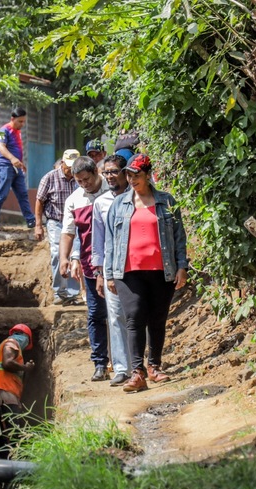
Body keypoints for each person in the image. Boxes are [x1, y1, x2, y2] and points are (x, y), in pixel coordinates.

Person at [104, 154, 188, 392]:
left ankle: (154, 366)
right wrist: (109, 273)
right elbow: (110, 241)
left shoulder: (167, 202)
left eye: (136, 175)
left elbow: (179, 238)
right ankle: (137, 372)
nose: (131, 179)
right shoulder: (119, 204)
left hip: (163, 270)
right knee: (134, 315)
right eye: (128, 175)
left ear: (148, 175)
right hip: (128, 272)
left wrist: (182, 266)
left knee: (158, 318)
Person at [59, 156, 111, 381]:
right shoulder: (74, 200)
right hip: (91, 265)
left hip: (118, 264)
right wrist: (65, 258)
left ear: (96, 173)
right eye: (79, 181)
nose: (84, 184)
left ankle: (128, 363)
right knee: (96, 313)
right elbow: (69, 232)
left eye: (86, 179)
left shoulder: (115, 191)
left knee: (123, 315)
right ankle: (100, 362)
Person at [91, 154, 133, 386]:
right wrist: (99, 273)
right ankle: (121, 368)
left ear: (126, 173)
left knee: (137, 316)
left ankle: (141, 363)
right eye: (106, 172)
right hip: (112, 270)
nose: (109, 176)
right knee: (116, 317)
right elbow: (98, 242)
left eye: (113, 172)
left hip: (137, 267)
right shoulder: (101, 203)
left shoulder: (137, 198)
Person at [35, 149, 81, 305]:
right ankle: (59, 292)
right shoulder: (49, 178)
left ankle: (72, 293)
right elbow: (39, 201)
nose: (71, 170)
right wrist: (38, 225)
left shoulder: (79, 178)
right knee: (57, 253)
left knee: (75, 254)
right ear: (62, 162)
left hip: (74, 222)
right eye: (69, 166)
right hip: (55, 221)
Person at [0, 324, 36, 456]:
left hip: (0, 394)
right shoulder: (12, 343)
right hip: (4, 394)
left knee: (3, 438)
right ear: (25, 336)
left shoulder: (7, 344)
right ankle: (12, 468)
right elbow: (7, 363)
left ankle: (4, 467)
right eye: (27, 342)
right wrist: (26, 368)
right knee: (12, 436)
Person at [0, 108, 36, 230]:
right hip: (5, 166)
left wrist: (20, 162)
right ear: (12, 119)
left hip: (16, 167)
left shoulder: (17, 131)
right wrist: (12, 159)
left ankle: (31, 221)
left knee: (23, 194)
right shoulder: (4, 130)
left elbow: (15, 149)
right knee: (2, 194)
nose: (22, 124)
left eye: (24, 121)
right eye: (20, 121)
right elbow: (1, 147)